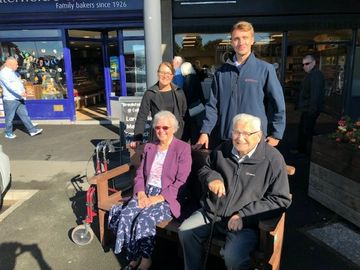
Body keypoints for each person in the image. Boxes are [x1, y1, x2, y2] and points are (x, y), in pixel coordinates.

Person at [179, 113, 291, 270]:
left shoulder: (273, 160)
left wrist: (244, 216)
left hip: (245, 224)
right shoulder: (223, 148)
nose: (239, 138)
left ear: (258, 136)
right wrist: (212, 177)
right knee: (186, 232)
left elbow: (280, 200)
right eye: (236, 132)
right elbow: (205, 168)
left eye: (246, 133)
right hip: (213, 212)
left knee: (234, 258)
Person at [108, 111, 192, 270]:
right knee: (126, 214)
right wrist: (140, 192)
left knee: (144, 219)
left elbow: (181, 181)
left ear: (173, 128)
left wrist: (156, 198)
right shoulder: (150, 147)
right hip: (145, 192)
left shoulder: (182, 148)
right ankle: (134, 256)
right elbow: (140, 174)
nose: (161, 131)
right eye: (158, 127)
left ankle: (146, 259)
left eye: (165, 127)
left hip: (168, 196)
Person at [196, 21, 286, 149]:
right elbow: (212, 105)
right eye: (236, 39)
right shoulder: (221, 73)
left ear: (252, 40)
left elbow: (278, 103)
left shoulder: (265, 70)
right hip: (228, 138)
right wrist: (205, 131)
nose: (241, 42)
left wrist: (276, 134)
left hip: (254, 140)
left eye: (245, 38)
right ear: (232, 42)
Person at [130, 61, 187, 149]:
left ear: (172, 76)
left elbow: (185, 115)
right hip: (158, 137)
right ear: (158, 73)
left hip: (177, 136)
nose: (165, 76)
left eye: (168, 73)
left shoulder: (179, 92)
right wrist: (137, 137)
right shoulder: (150, 93)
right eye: (162, 72)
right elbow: (142, 116)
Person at [0, 57, 43, 139]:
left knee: (25, 115)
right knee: (9, 118)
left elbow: (16, 83)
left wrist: (23, 88)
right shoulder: (3, 73)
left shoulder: (12, 72)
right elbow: (10, 86)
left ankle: (32, 130)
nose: (17, 65)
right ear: (10, 64)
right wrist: (21, 92)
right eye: (16, 64)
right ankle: (8, 133)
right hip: (10, 99)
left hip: (19, 97)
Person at [295, 54, 325, 154]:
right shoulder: (312, 74)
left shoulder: (316, 75)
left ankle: (306, 151)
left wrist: (312, 110)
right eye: (303, 64)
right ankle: (305, 150)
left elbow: (315, 94)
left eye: (307, 64)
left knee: (306, 130)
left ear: (314, 63)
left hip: (310, 109)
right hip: (308, 108)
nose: (304, 66)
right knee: (306, 129)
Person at [181, 61, 206, 144]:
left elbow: (188, 95)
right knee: (193, 130)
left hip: (192, 109)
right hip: (198, 107)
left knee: (190, 130)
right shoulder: (194, 77)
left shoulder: (189, 79)